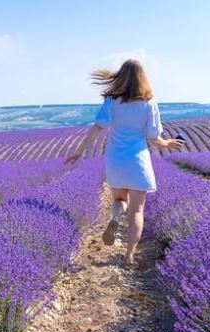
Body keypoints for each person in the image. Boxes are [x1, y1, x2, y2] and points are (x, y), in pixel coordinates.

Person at [65, 59, 184, 268]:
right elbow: (153, 137)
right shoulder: (149, 102)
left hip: (116, 157)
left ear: (121, 77)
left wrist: (79, 151)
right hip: (138, 159)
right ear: (142, 78)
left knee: (120, 198)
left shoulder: (112, 101)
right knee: (137, 211)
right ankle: (129, 255)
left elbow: (97, 128)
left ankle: (116, 216)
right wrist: (168, 144)